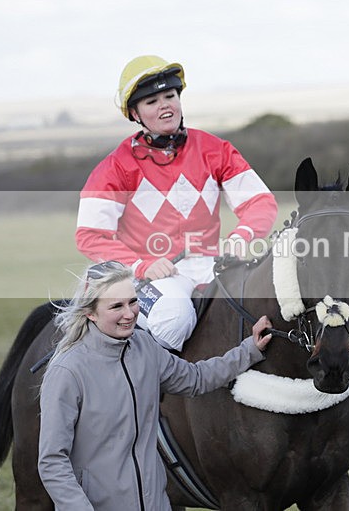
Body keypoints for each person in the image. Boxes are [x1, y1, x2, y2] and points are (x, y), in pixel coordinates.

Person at [76, 54, 278, 352]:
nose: (165, 105)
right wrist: (141, 265)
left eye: (170, 95)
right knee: (175, 317)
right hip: (151, 273)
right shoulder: (116, 167)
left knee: (267, 302)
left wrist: (242, 236)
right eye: (152, 101)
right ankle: (159, 393)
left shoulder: (214, 149)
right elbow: (90, 236)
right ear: (135, 113)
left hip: (213, 264)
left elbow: (259, 201)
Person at [38, 260, 273, 510]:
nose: (129, 314)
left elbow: (195, 378)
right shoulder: (67, 371)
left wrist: (249, 350)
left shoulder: (144, 346)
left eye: (133, 301)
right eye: (116, 306)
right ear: (91, 312)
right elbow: (52, 461)